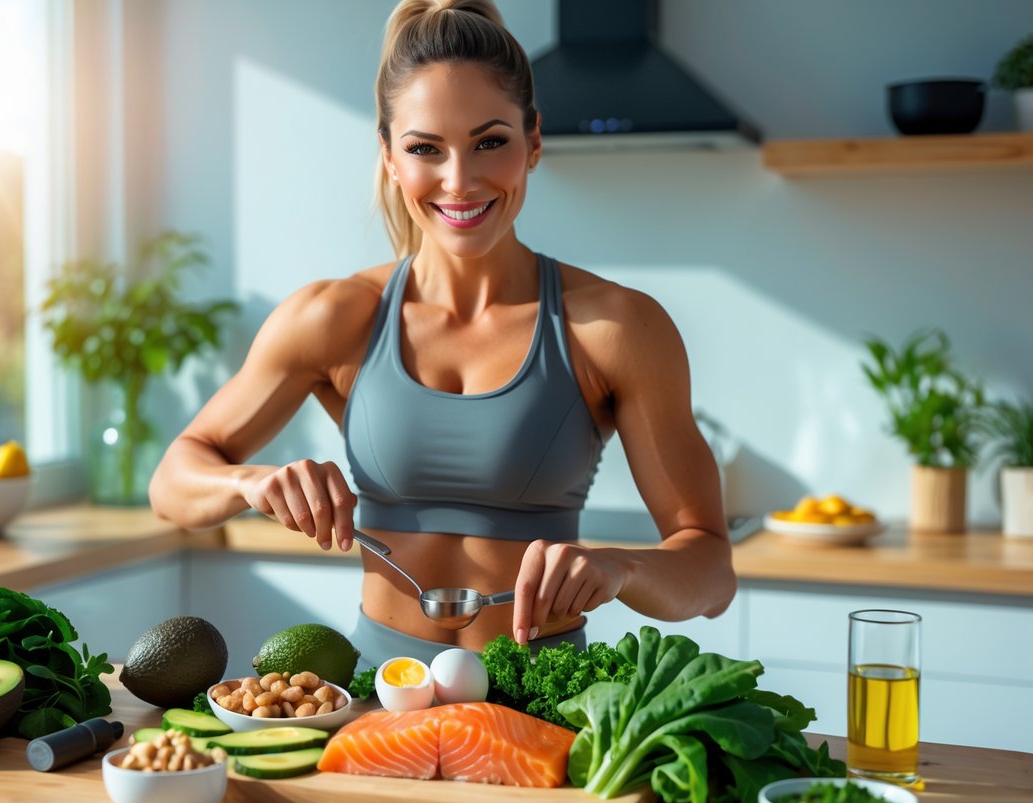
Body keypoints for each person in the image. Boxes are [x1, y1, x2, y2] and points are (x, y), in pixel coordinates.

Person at [149, 0, 735, 664]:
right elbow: (172, 483)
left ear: (533, 141)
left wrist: (623, 569)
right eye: (426, 149)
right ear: (390, 157)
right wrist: (246, 484)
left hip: (543, 706)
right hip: (379, 693)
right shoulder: (335, 318)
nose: (459, 182)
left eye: (490, 142)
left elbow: (710, 571)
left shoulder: (615, 327)